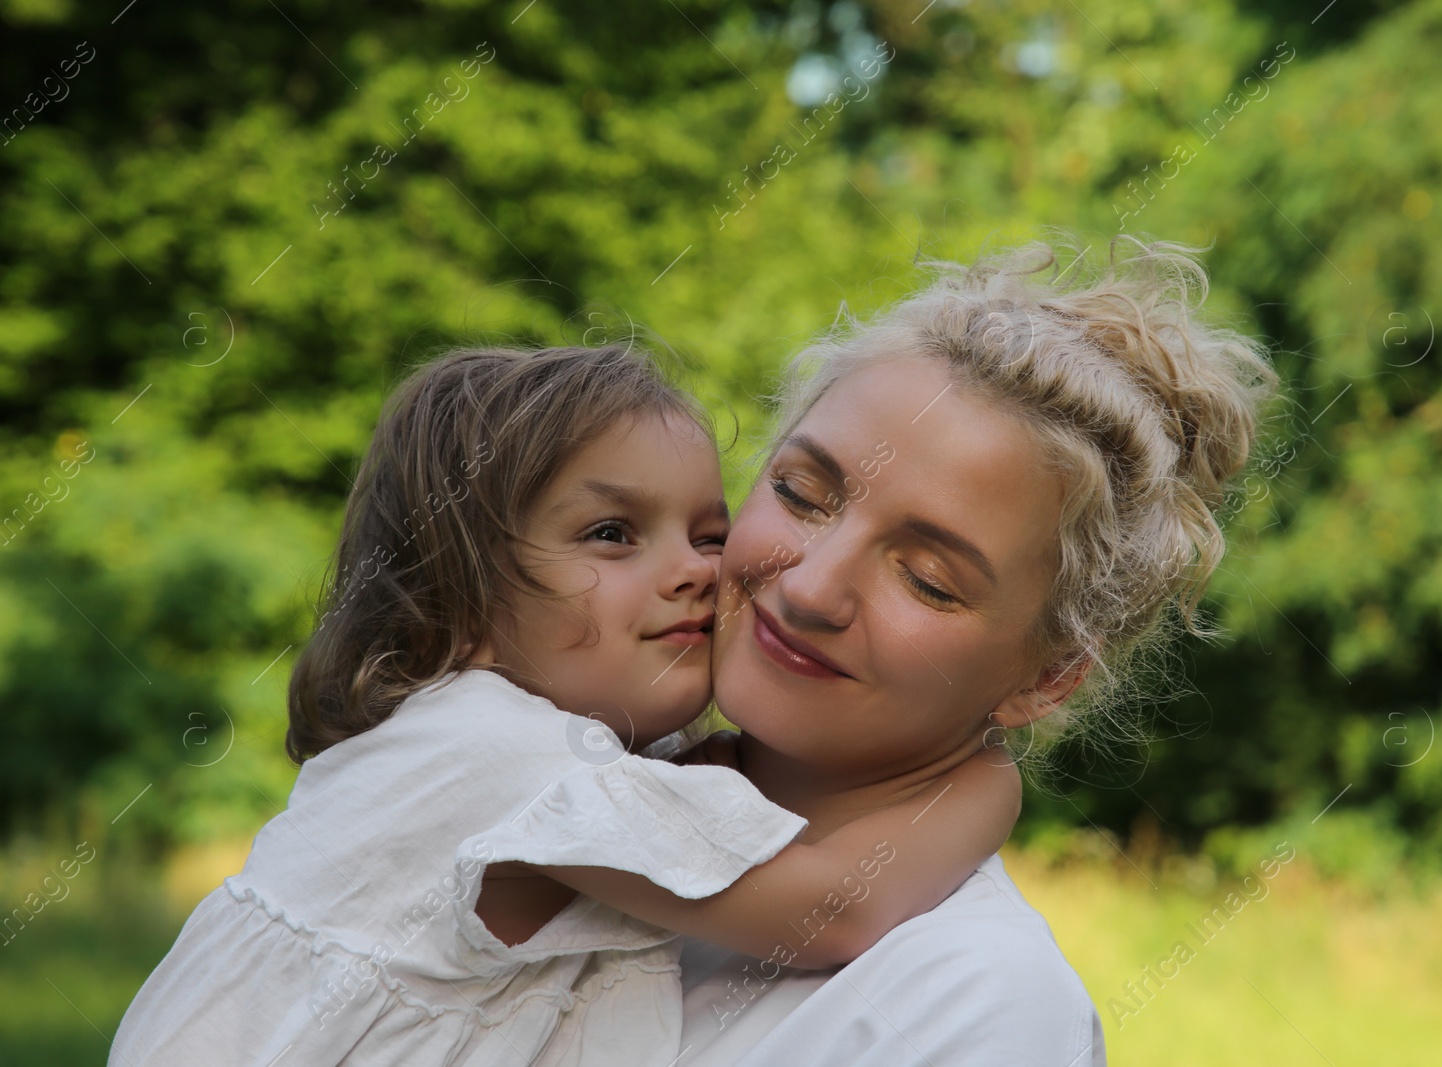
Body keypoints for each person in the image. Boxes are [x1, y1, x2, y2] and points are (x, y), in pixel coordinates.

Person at [109, 345, 1019, 1066]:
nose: (699, 569)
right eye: (612, 534)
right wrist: (987, 787)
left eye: (709, 532)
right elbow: (835, 911)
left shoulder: (501, 754)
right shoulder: (492, 756)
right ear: (455, 605)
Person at [669, 235, 1277, 1065]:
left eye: (927, 579)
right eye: (801, 494)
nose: (812, 588)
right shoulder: (582, 749)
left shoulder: (980, 1004)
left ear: (1050, 676)